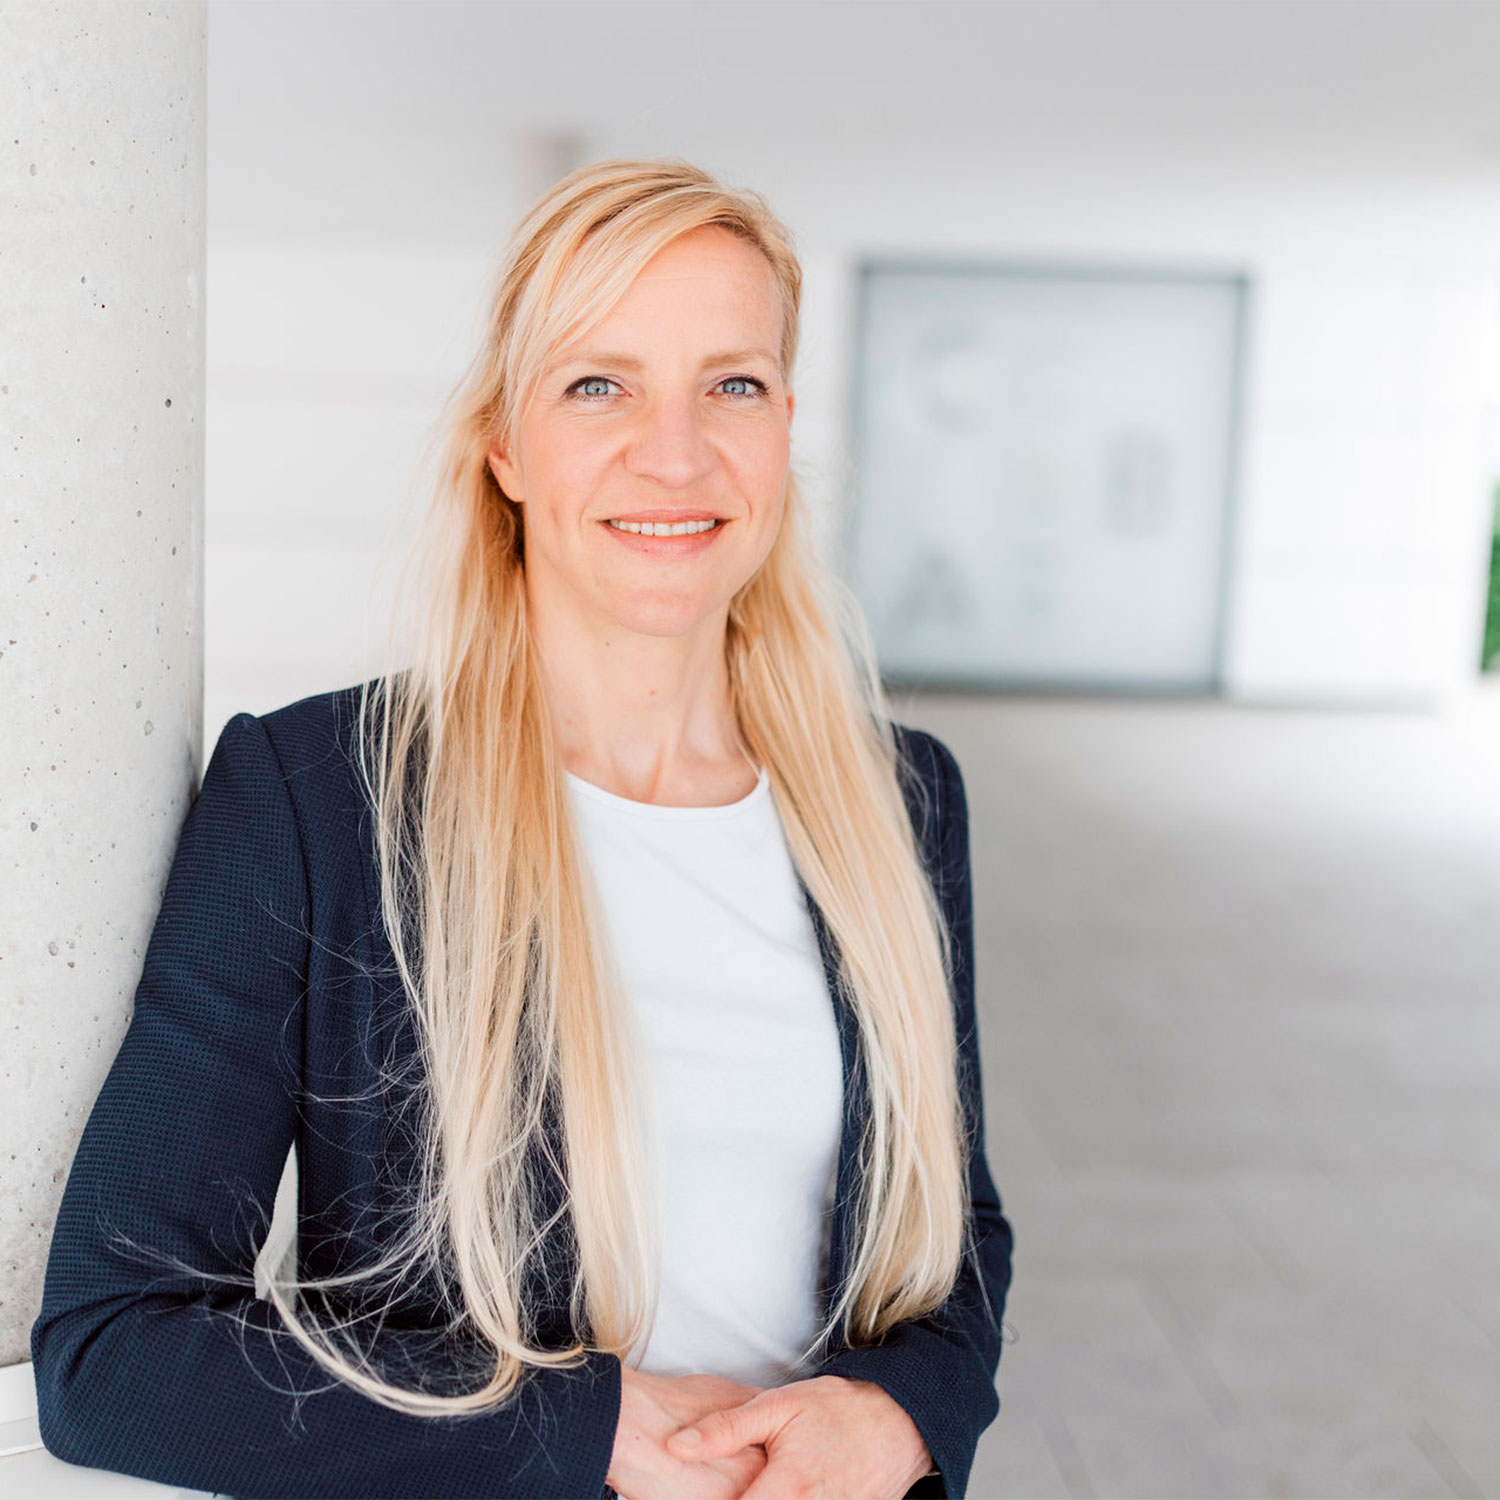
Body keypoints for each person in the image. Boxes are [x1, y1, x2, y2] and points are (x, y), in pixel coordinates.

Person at [31, 158, 1013, 1500]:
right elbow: (114, 1354)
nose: (676, 454)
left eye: (732, 385)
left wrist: (901, 1412)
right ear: (504, 444)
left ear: (785, 425)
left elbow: (958, 1227)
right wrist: (577, 1431)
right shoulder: (320, 802)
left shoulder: (900, 800)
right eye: (599, 385)